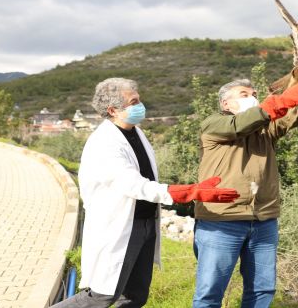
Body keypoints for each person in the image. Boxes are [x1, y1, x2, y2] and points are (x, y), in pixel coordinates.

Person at [52, 78, 239, 308]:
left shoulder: (135, 132)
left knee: (135, 296)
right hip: (120, 226)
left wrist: (183, 196)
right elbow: (133, 184)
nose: (140, 105)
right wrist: (186, 192)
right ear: (113, 110)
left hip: (145, 223)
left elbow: (148, 178)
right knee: (103, 294)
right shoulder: (104, 143)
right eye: (134, 101)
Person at [192, 76, 298, 307]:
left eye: (254, 94)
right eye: (244, 94)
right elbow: (239, 125)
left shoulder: (265, 129)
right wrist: (283, 98)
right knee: (210, 291)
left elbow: (290, 116)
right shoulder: (214, 124)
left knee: (262, 290)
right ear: (225, 104)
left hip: (263, 220)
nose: (252, 98)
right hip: (222, 219)